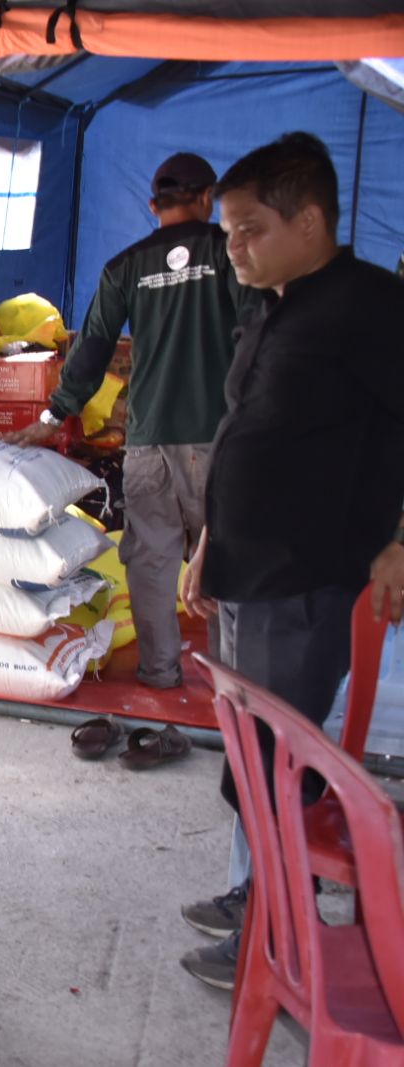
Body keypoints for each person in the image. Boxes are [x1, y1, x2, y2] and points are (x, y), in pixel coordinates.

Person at [176, 131, 404, 989]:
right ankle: (256, 893)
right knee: (250, 757)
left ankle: (280, 932)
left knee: (280, 765)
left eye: (250, 229)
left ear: (310, 219)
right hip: (245, 569)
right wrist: (207, 541)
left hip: (305, 576)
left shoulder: (370, 307)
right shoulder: (275, 303)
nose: (233, 246)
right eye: (228, 231)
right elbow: (248, 432)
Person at [4, 152, 247, 690]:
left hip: (149, 440)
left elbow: (91, 348)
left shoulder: (126, 265)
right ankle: (235, 687)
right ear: (208, 199)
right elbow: (259, 336)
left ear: (152, 205)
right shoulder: (235, 255)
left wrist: (54, 413)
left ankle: (160, 672)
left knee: (152, 562)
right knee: (229, 558)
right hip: (221, 439)